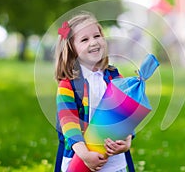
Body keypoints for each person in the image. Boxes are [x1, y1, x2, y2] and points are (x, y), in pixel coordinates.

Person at [54, 12, 132, 172]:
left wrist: (127, 141)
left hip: (115, 163)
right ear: (72, 49)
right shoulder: (68, 84)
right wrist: (85, 155)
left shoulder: (115, 77)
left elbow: (126, 114)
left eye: (97, 36)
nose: (94, 42)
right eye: (84, 39)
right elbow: (68, 123)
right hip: (81, 161)